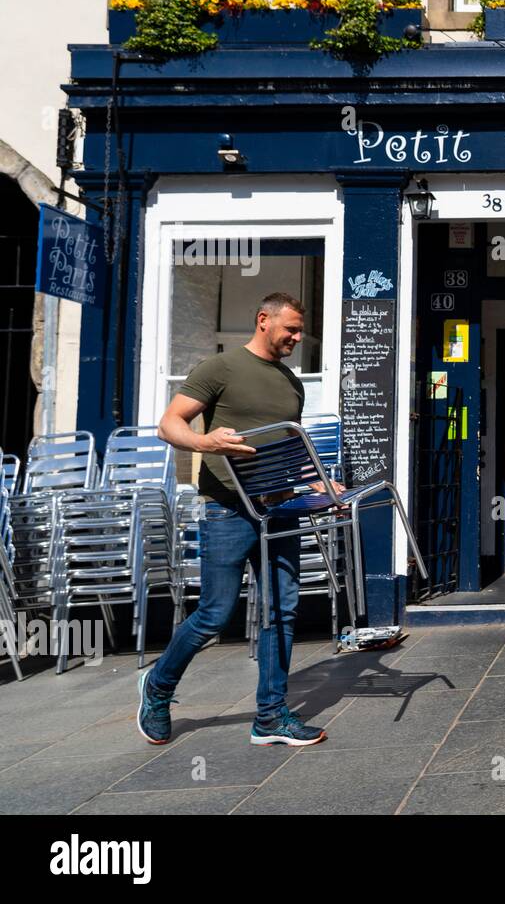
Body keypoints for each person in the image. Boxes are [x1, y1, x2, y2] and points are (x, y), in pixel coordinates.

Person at [137, 292, 329, 747]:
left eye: (300, 331)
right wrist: (207, 444)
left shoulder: (290, 383)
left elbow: (288, 447)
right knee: (214, 614)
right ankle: (158, 688)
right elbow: (170, 424)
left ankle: (270, 716)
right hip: (227, 508)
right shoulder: (219, 369)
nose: (298, 339)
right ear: (264, 320)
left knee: (282, 611)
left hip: (280, 508)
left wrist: (320, 483)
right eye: (292, 329)